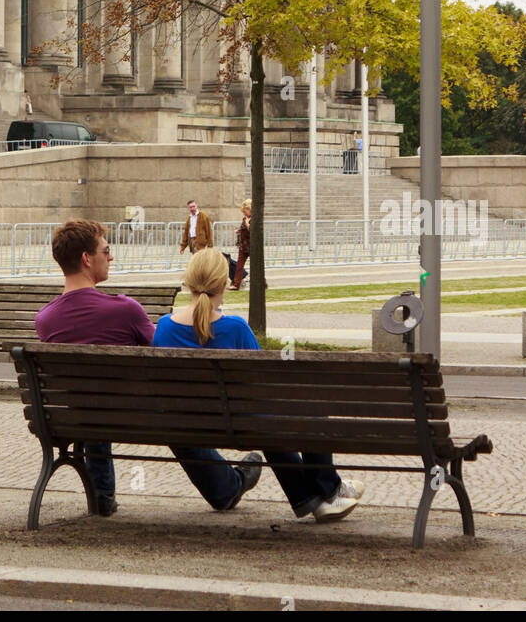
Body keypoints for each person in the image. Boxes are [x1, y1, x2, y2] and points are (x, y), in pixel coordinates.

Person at [153, 249, 365, 522]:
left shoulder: (165, 327)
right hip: (243, 422)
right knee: (311, 413)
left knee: (266, 420)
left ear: (189, 281)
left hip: (189, 423)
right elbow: (264, 384)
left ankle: (314, 497)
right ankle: (331, 490)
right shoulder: (236, 327)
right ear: (224, 284)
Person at [34, 218, 155, 517]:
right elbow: (163, 352)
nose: (111, 256)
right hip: (137, 417)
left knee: (92, 397)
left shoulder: (45, 320)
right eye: (106, 250)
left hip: (71, 418)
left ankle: (101, 494)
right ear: (87, 259)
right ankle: (224, 488)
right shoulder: (125, 309)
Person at [230, 199, 252, 290]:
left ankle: (263, 283)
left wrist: (247, 224)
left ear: (249, 209)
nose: (244, 213)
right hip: (243, 246)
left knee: (256, 266)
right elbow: (244, 230)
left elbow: (252, 230)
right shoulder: (245, 218)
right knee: (239, 266)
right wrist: (239, 231)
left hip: (251, 246)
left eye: (245, 211)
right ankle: (236, 284)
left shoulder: (254, 218)